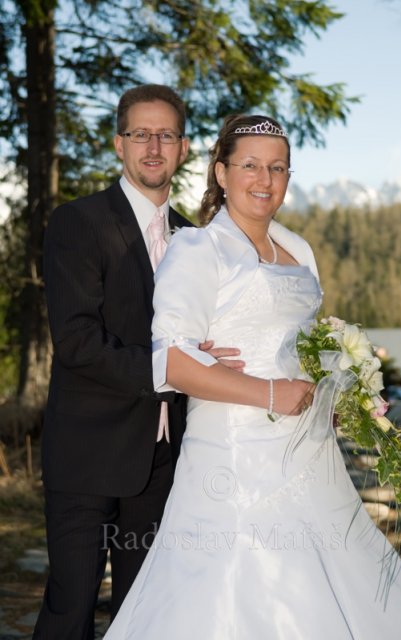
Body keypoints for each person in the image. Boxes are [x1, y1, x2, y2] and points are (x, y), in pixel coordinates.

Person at [104, 114, 401, 639]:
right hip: (231, 457)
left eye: (278, 168)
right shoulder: (197, 249)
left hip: (311, 454)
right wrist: (270, 392)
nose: (265, 179)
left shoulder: (299, 250)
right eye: (250, 165)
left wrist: (337, 390)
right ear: (221, 173)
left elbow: (304, 347)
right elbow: (174, 363)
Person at [33, 84, 241, 639]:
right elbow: (77, 341)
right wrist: (174, 366)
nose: (153, 147)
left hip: (165, 460)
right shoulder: (78, 222)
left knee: (143, 616)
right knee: (70, 610)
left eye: (165, 135)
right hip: (87, 454)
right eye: (140, 134)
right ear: (118, 144)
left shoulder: (196, 239)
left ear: (184, 148)